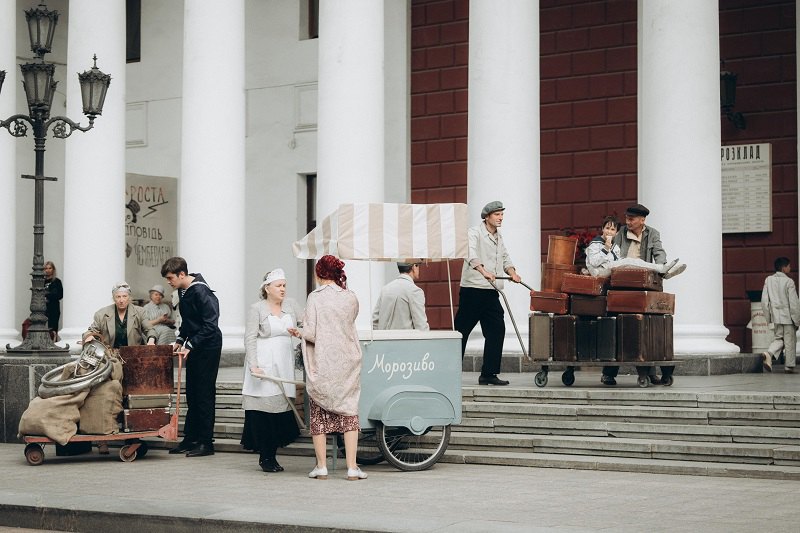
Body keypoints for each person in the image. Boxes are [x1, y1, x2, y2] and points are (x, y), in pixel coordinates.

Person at [601, 204, 684, 386]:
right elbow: (614, 253)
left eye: (632, 219)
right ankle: (609, 372)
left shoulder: (652, 233)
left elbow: (659, 252)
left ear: (642, 220)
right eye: (627, 218)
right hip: (622, 281)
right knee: (616, 326)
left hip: (642, 282)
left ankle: (649, 371)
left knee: (646, 328)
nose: (628, 222)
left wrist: (661, 267)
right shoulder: (621, 232)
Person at [302, 255, 366, 481]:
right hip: (347, 362)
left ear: (319, 273)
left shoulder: (315, 298)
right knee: (349, 412)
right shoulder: (350, 297)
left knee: (319, 414)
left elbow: (310, 332)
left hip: (324, 362)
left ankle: (321, 466)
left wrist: (298, 331)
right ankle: (351, 467)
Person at [241, 268, 303, 473]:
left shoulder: (292, 305)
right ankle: (265, 456)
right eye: (279, 285)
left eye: (284, 285)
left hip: (283, 364)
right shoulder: (256, 309)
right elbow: (249, 337)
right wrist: (253, 365)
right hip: (264, 363)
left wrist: (299, 332)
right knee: (264, 412)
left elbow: (305, 326)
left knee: (280, 409)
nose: (283, 289)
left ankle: (273, 454)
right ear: (267, 288)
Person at [161, 257, 223, 458]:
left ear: (181, 274)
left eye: (170, 278)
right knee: (193, 394)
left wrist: (190, 343)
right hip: (197, 345)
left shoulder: (201, 290)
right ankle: (191, 438)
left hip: (208, 346)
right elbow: (188, 321)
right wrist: (180, 338)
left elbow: (210, 324)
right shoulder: (183, 290)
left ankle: (206, 442)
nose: (168, 282)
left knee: (204, 393)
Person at [454, 201, 521, 386]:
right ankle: (450, 372)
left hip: (491, 291)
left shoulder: (499, 236)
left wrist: (512, 272)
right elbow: (470, 253)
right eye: (497, 214)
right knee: (461, 331)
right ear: (487, 216)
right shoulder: (474, 233)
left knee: (497, 330)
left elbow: (505, 256)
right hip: (473, 290)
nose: (500, 218)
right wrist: (483, 271)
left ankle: (489, 373)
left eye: (502, 215)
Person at [585, 216, 685, 278]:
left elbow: (618, 259)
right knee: (628, 261)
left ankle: (663, 271)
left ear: (616, 232)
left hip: (609, 269)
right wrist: (606, 249)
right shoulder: (595, 243)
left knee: (634, 263)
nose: (609, 232)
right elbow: (594, 262)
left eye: (612, 229)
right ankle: (662, 269)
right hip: (599, 271)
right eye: (607, 228)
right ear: (602, 228)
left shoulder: (614, 246)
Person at [82, 282, 157, 348]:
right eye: (118, 297)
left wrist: (151, 340)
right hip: (110, 355)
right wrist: (89, 336)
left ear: (129, 297)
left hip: (134, 354)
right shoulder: (101, 314)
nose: (121, 300)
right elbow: (90, 331)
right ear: (114, 298)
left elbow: (150, 330)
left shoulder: (140, 312)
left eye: (124, 296)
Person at [761, 257, 800, 374]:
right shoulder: (789, 282)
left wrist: (769, 318)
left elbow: (764, 301)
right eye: (789, 266)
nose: (790, 268)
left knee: (779, 338)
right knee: (790, 341)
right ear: (784, 268)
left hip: (776, 317)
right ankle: (789, 366)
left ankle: (769, 353)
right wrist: (797, 320)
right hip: (788, 317)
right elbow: (794, 303)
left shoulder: (768, 280)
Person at [372, 260, 430, 330]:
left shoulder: (385, 289)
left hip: (384, 339)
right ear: (414, 267)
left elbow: (375, 321)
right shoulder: (415, 291)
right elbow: (421, 326)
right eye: (418, 265)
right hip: (405, 340)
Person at [44, 261, 63, 341]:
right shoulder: (41, 281)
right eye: (46, 268)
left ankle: (53, 343)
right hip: (43, 308)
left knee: (53, 328)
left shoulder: (57, 282)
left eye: (50, 268)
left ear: (53, 269)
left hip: (53, 308)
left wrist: (47, 295)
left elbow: (60, 295)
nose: (48, 270)